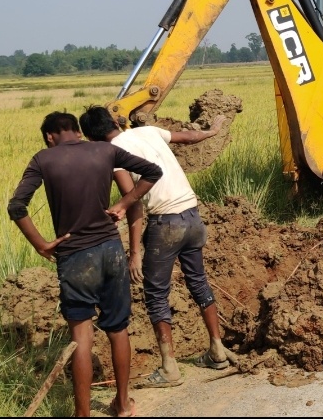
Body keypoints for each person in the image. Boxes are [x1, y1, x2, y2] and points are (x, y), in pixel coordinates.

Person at [7, 111, 163, 418]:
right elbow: (153, 172)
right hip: (111, 250)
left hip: (75, 254)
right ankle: (122, 403)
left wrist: (41, 244)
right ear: (77, 130)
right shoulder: (106, 150)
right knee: (117, 329)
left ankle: (82, 414)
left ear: (50, 136)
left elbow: (16, 206)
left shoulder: (43, 159)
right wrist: (122, 203)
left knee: (81, 336)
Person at [79, 106, 234, 389]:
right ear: (114, 121)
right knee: (199, 282)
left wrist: (135, 252)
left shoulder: (113, 155)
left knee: (156, 295)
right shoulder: (147, 131)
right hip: (193, 216)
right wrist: (211, 131)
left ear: (91, 138)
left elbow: (133, 201)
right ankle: (218, 350)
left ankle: (169, 368)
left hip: (167, 224)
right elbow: (186, 137)